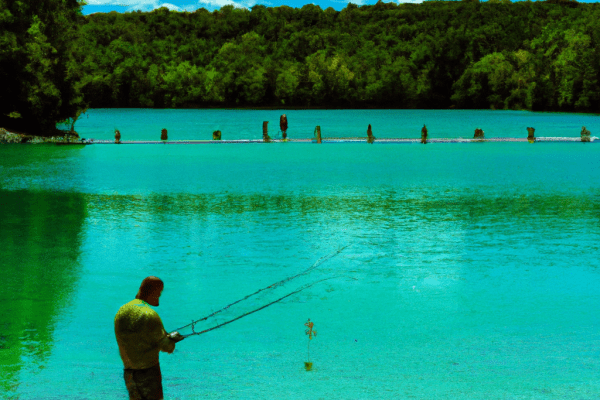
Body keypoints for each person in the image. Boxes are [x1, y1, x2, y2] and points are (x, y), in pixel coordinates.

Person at [115, 276, 184, 400]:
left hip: (129, 372)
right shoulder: (150, 315)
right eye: (159, 293)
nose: (159, 296)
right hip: (148, 372)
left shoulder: (122, 310)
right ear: (154, 292)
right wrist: (173, 339)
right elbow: (167, 347)